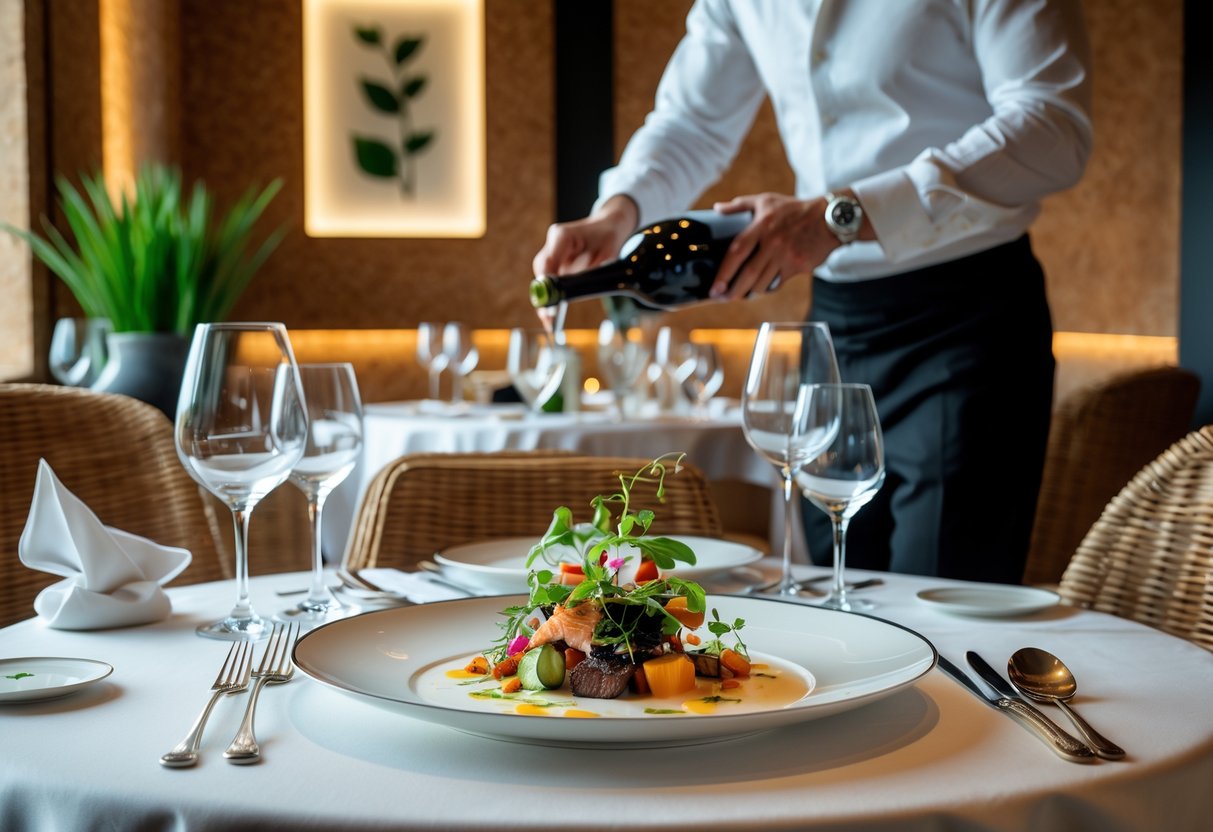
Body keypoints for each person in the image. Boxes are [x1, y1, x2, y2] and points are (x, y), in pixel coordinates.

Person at [532, 0, 1093, 584]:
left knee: (945, 592)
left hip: (968, 319)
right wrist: (617, 214)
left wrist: (839, 218)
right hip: (833, 326)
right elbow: (691, 124)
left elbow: (1054, 126)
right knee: (837, 588)